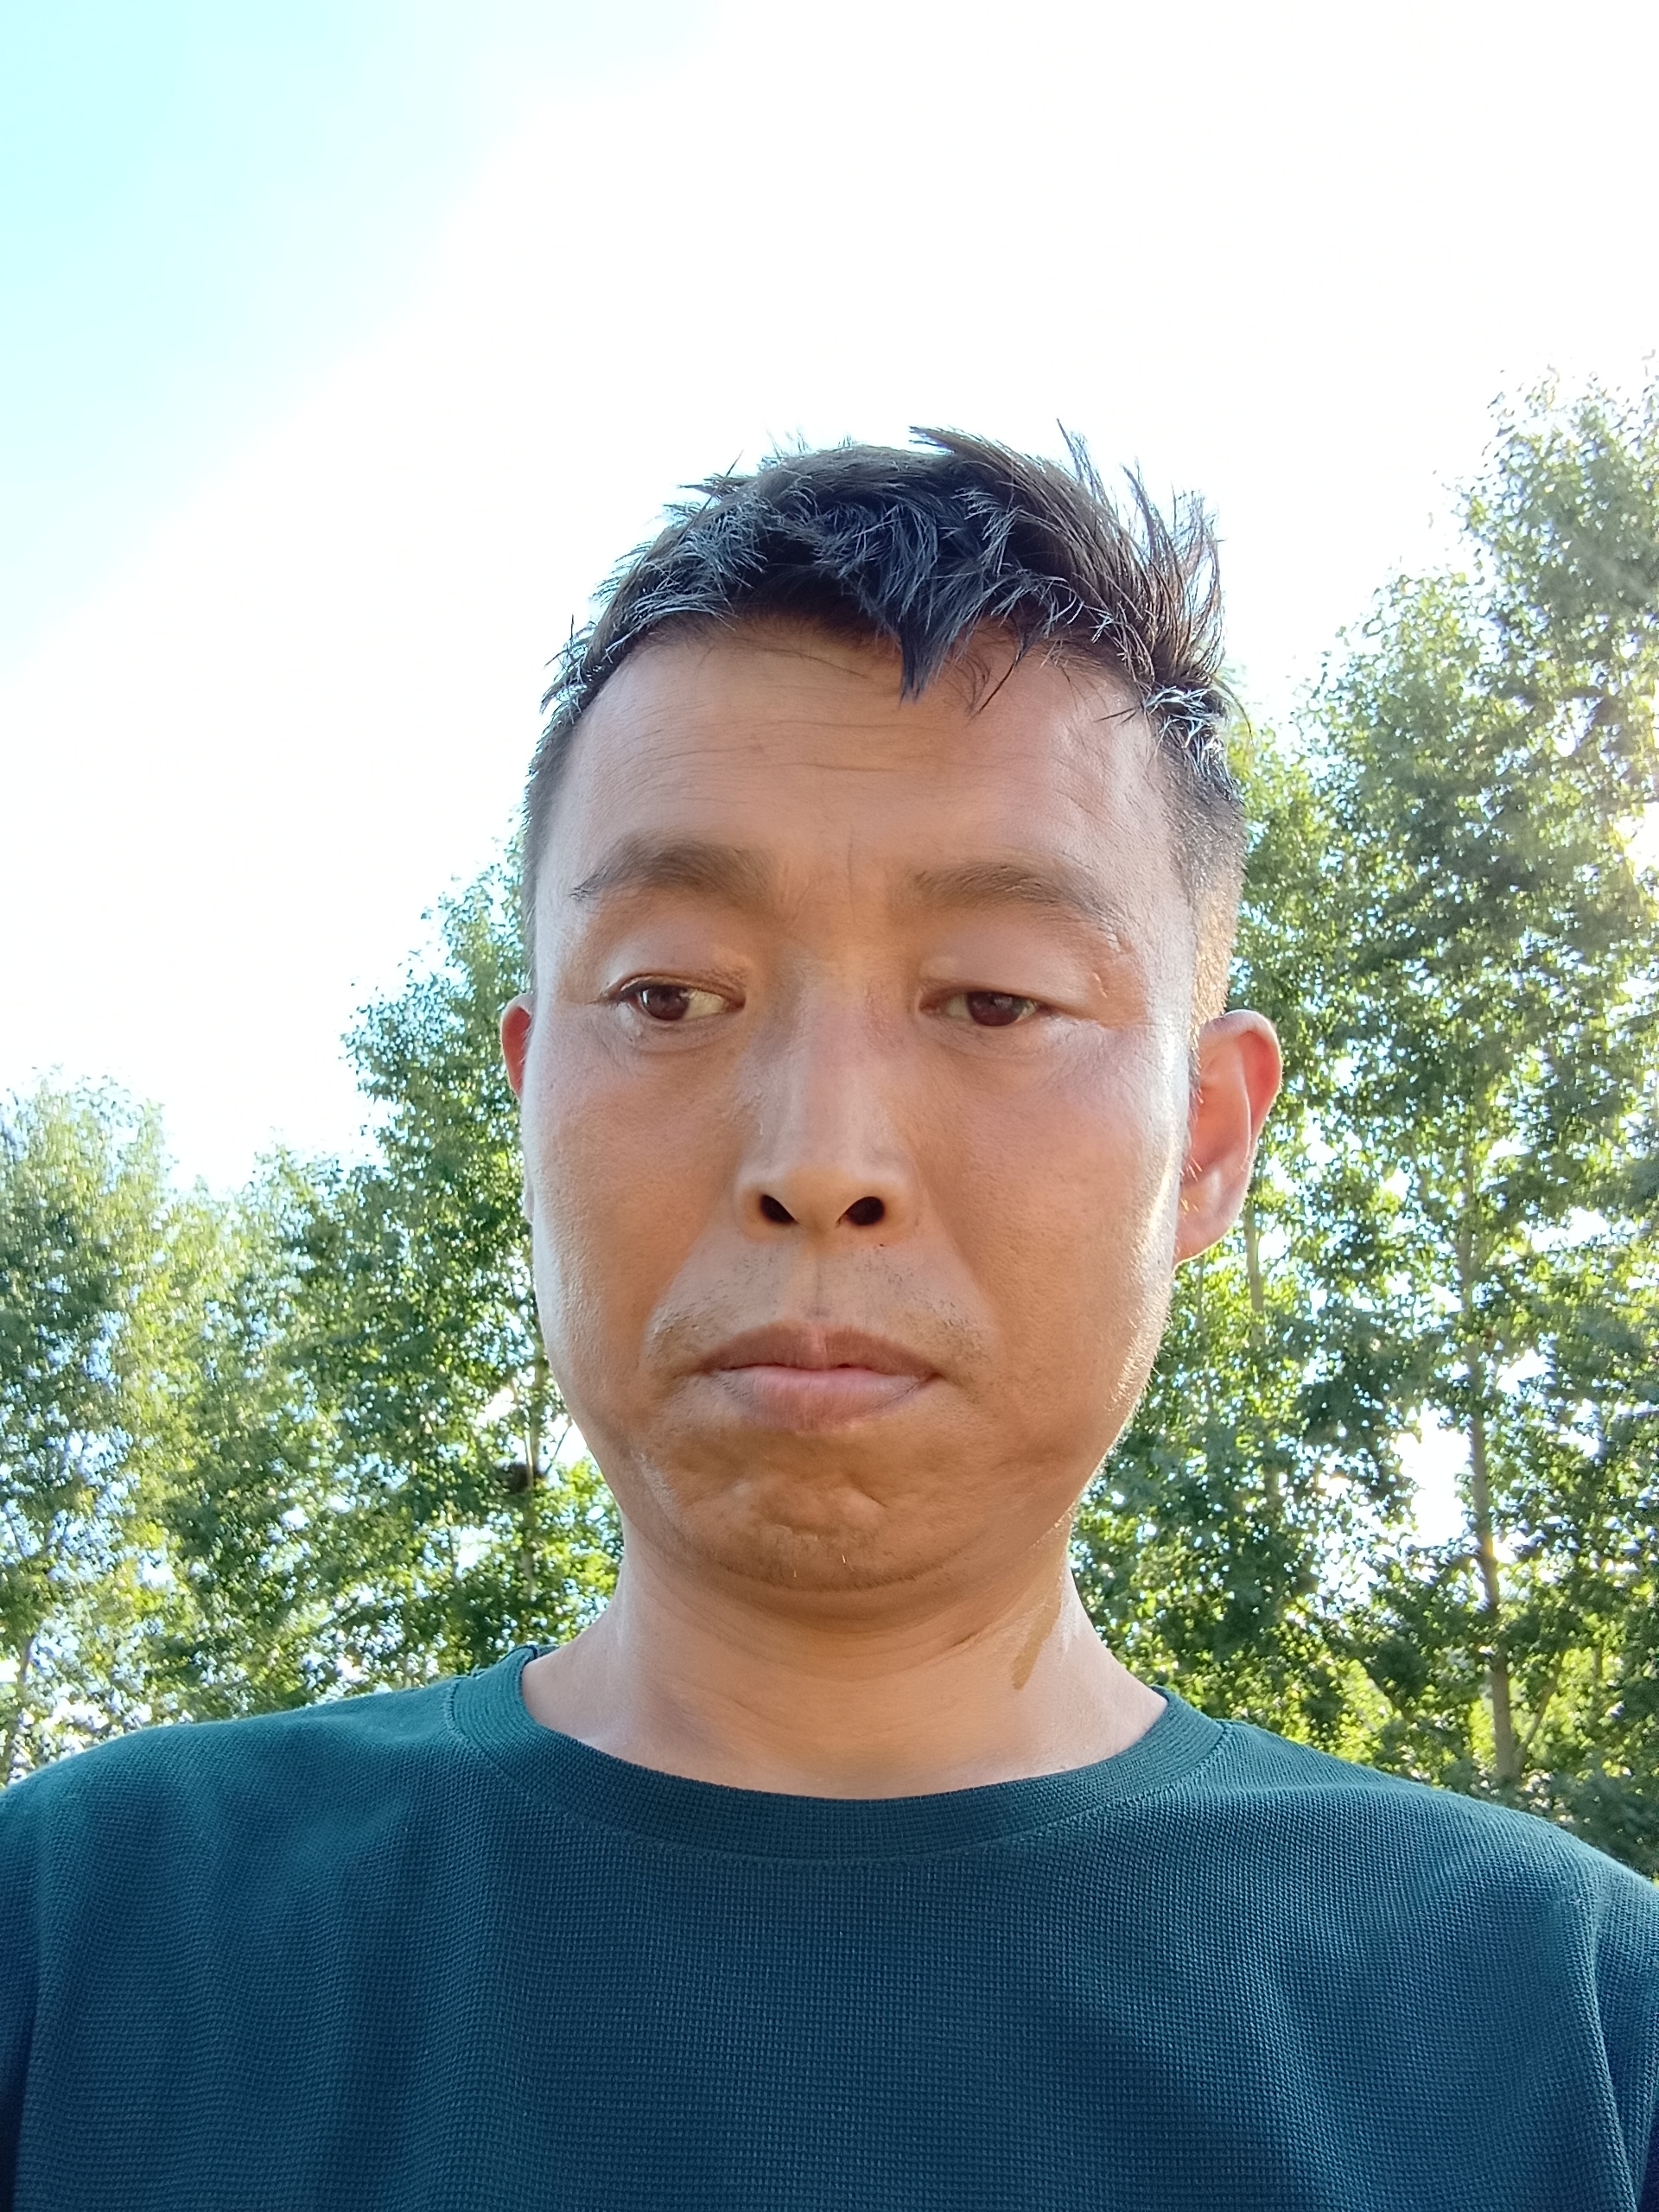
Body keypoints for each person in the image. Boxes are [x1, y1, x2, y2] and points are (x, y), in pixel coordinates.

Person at [1, 433, 1654, 2211]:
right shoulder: (82, 1937)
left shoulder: (1571, 2038)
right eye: (667, 993)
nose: (820, 1161)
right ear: (529, 1097)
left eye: (994, 1000)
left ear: (1203, 1142)